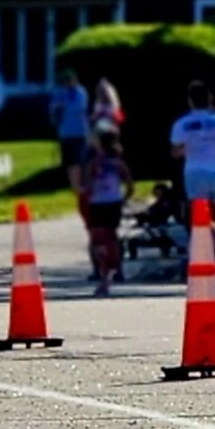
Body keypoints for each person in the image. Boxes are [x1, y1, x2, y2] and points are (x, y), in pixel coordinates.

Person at [169, 80, 215, 215]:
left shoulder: (182, 124)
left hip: (195, 171)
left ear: (190, 101)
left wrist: (185, 149)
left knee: (200, 213)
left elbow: (175, 152)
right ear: (209, 99)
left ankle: (206, 234)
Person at [80, 119, 132, 296]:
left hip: (98, 203)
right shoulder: (118, 163)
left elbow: (87, 185)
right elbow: (130, 185)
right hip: (114, 201)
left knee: (98, 239)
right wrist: (122, 198)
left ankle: (102, 271)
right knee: (112, 236)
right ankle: (119, 269)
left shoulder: (94, 163)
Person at [50, 65, 89, 193]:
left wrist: (63, 106)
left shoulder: (81, 92)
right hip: (65, 132)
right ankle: (74, 186)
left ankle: (84, 183)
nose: (68, 82)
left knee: (81, 159)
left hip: (79, 131)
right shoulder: (60, 93)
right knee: (70, 161)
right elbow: (53, 109)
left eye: (70, 79)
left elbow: (79, 108)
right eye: (65, 80)